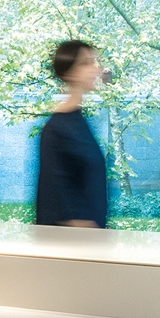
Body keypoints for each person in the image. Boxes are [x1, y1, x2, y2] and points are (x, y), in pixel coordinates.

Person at [35, 40, 108, 228]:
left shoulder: (79, 121)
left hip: (92, 237)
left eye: (94, 62)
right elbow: (57, 197)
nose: (96, 69)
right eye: (86, 63)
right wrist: (90, 235)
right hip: (75, 240)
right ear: (68, 71)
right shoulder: (56, 130)